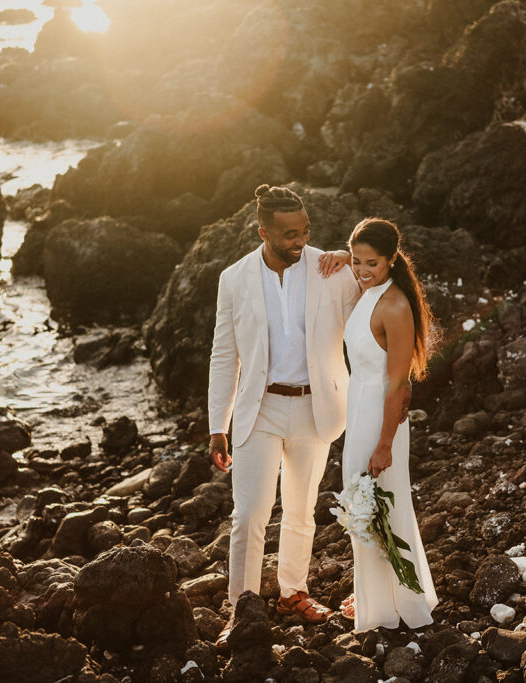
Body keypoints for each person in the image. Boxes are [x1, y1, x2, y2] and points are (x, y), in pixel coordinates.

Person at [207, 184, 360, 649]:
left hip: (318, 406)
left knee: (300, 511)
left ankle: (293, 591)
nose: (300, 240)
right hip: (260, 408)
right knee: (250, 514)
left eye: (305, 231)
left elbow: (379, 294)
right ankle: (242, 608)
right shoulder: (233, 279)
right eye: (290, 234)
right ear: (263, 232)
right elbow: (223, 354)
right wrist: (218, 425)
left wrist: (351, 259)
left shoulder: (330, 270)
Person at [338, 217, 438, 632]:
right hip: (358, 409)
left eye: (371, 263)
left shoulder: (394, 306)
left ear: (393, 260)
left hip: (379, 419)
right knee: (365, 506)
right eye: (355, 260)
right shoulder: (367, 291)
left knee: (376, 507)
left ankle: (388, 607)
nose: (361, 270)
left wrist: (384, 444)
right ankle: (376, 596)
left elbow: (398, 383)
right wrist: (335, 257)